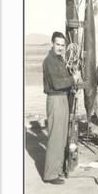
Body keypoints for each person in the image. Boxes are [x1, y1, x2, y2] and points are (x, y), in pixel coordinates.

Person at [42, 31, 81, 185]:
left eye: (62, 45)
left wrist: (73, 79)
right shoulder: (49, 61)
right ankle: (50, 175)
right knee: (55, 137)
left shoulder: (59, 60)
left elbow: (64, 81)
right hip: (55, 100)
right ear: (52, 44)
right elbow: (57, 84)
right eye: (57, 44)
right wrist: (73, 79)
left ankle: (57, 170)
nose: (60, 47)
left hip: (63, 98)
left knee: (62, 137)